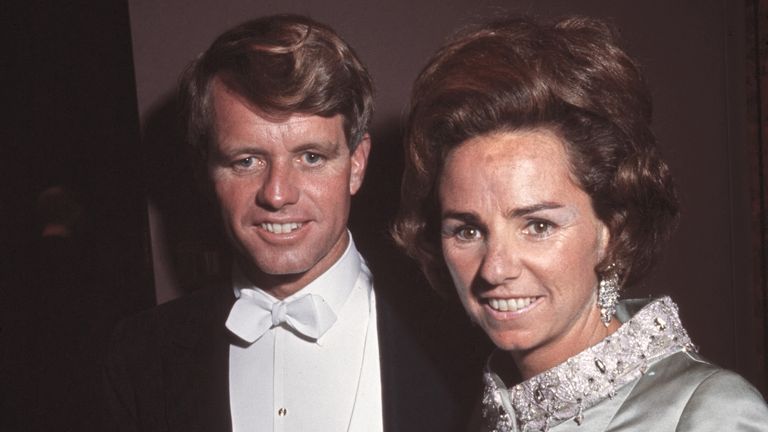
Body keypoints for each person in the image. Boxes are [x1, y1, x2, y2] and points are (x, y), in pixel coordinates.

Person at [393, 15, 768, 431]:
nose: (495, 268)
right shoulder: (483, 418)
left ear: (611, 232)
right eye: (468, 231)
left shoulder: (707, 412)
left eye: (537, 226)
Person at [104, 14, 470, 432]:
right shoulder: (142, 356)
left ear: (356, 164)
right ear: (206, 172)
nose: (277, 194)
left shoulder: (460, 336)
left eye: (311, 157)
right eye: (247, 161)